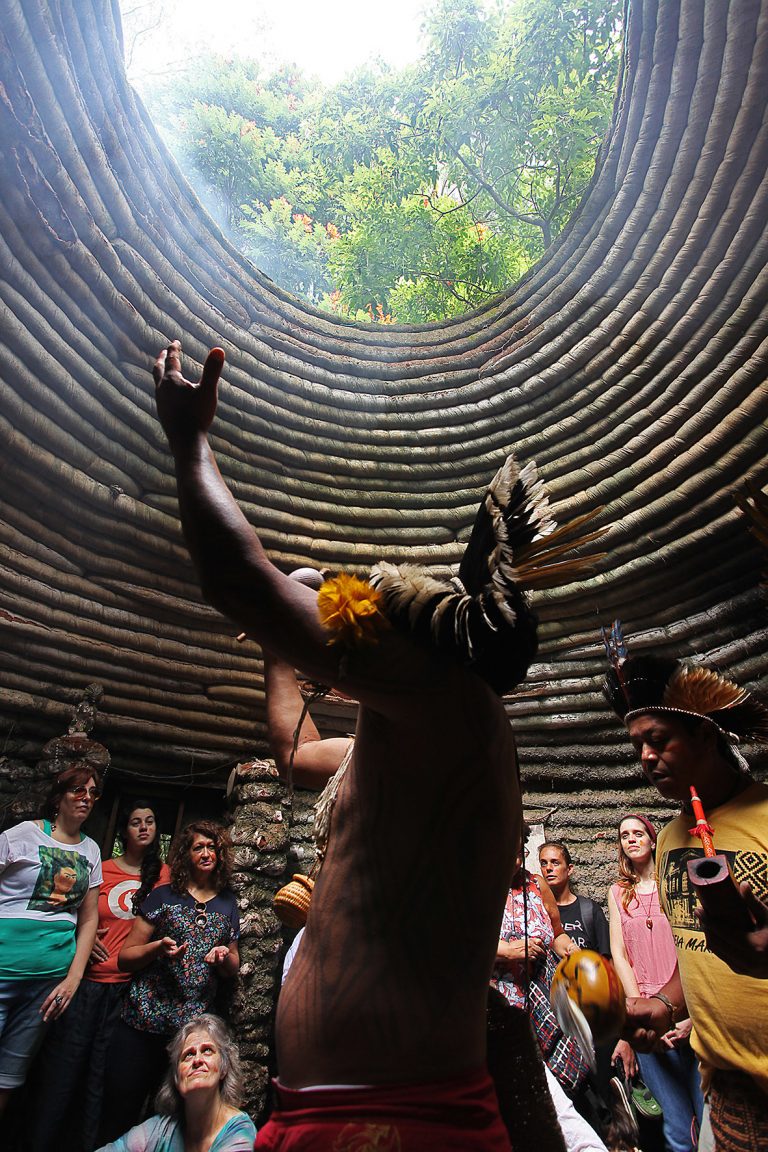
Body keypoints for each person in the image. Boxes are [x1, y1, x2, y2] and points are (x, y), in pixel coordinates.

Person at [152, 339, 604, 1149]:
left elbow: (235, 580)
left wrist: (189, 444)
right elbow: (296, 756)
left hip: (400, 1118)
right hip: (332, 1107)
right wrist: (276, 642)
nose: (345, 613)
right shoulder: (401, 745)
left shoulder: (446, 705)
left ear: (415, 652)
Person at [603, 635, 768, 1151]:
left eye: (658, 740)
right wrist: (664, 1005)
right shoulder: (673, 838)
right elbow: (695, 948)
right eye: (638, 748)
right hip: (725, 1089)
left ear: (702, 734)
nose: (647, 758)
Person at [29, 800, 170, 1152]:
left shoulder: (165, 876)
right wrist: (84, 938)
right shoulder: (102, 868)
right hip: (87, 984)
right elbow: (71, 911)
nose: (143, 827)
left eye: (150, 821)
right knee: (62, 1074)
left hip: (130, 992)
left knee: (104, 1083)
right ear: (124, 830)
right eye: (136, 822)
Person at [98, 820, 240, 1144]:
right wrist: (157, 949)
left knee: (171, 1120)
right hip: (142, 1023)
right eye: (198, 847)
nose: (206, 853)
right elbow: (125, 956)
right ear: (185, 855)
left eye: (212, 847)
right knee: (121, 1109)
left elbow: (233, 965)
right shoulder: (163, 896)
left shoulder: (228, 903)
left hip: (188, 1036)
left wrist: (223, 957)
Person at [0, 766, 102, 1115]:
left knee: (8, 1078)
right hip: (3, 970)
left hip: (46, 987)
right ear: (58, 796)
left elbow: (89, 919)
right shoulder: (23, 835)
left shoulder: (91, 851)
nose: (86, 797)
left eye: (93, 793)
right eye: (78, 790)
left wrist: (73, 979)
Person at [608, 814, 702, 1152]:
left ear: (652, 839)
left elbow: (695, 949)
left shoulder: (674, 885)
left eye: (637, 833)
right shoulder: (617, 893)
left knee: (708, 1124)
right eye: (624, 835)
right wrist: (641, 1015)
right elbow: (620, 956)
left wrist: (691, 1015)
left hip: (691, 1014)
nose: (630, 839)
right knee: (677, 1129)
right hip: (649, 1021)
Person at [494, 830, 588, 1096]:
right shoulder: (478, 888)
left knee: (554, 1090)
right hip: (500, 1004)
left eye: (519, 853)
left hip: (543, 998)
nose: (515, 862)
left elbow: (556, 934)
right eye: (506, 853)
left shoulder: (536, 884)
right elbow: (461, 945)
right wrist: (507, 951)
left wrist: (569, 948)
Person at [95, 1013, 256, 1152]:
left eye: (207, 1050)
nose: (197, 1060)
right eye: (188, 1055)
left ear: (223, 1068)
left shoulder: (240, 1132)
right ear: (177, 1078)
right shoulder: (161, 1129)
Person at [539, 841, 610, 956]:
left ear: (569, 869)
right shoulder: (538, 910)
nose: (548, 868)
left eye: (555, 863)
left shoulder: (590, 910)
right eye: (543, 863)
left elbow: (606, 958)